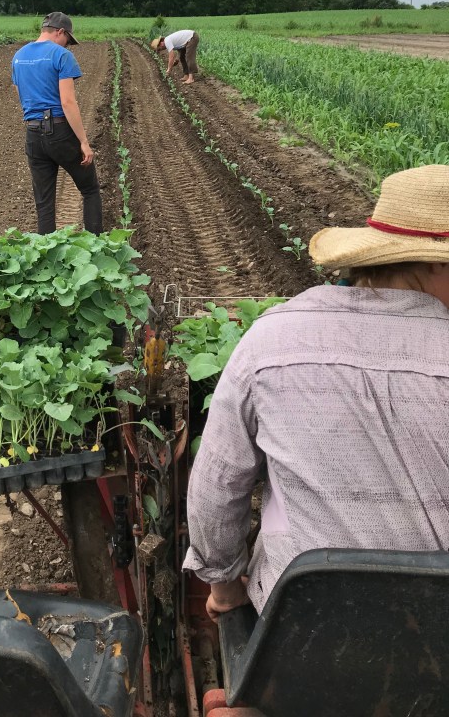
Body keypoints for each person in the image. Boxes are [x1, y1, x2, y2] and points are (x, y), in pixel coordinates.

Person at [183, 164, 449, 621]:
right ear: (436, 263)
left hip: (301, 626)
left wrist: (224, 589)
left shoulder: (272, 339)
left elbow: (216, 491)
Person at [11, 11, 103, 235]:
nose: (68, 45)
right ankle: (97, 245)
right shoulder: (61, 55)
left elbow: (20, 94)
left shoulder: (18, 56)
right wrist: (83, 142)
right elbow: (67, 102)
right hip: (60, 131)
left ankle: (46, 252)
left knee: (44, 203)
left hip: (33, 133)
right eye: (68, 40)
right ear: (60, 32)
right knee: (90, 189)